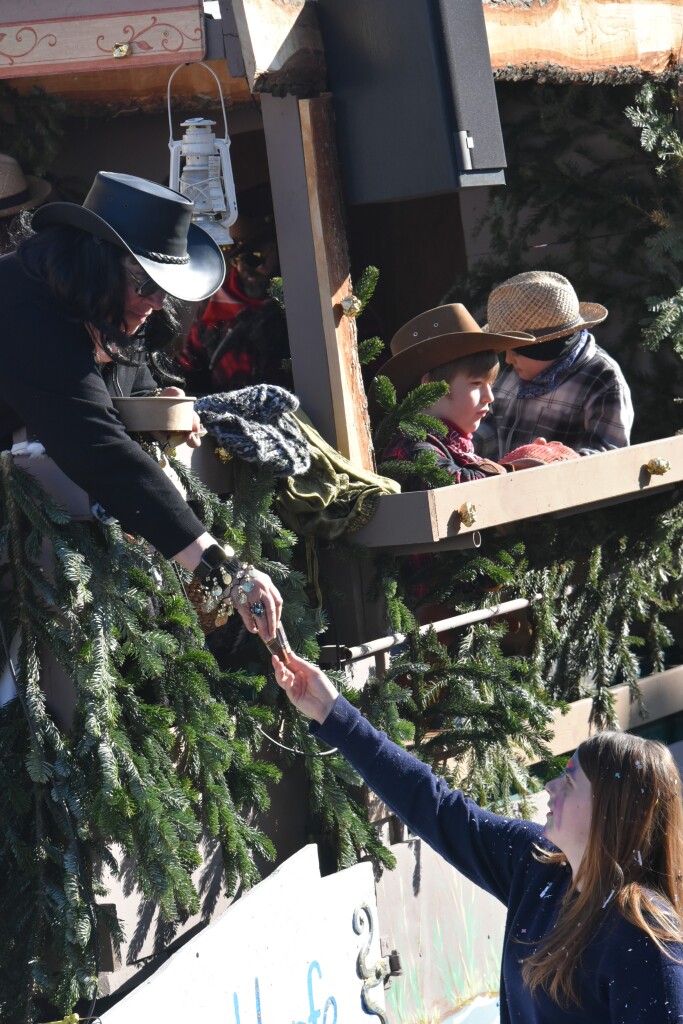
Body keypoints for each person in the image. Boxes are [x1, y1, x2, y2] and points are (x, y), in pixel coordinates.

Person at [273, 650, 683, 1023]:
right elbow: (436, 807)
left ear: (609, 815)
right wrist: (333, 713)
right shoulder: (539, 865)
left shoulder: (646, 945)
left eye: (572, 783)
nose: (554, 787)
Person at [0, 171, 282, 644]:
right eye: (144, 283)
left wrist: (158, 404)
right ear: (95, 263)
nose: (155, 302)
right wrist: (221, 566)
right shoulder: (22, 305)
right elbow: (98, 447)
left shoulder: (115, 305)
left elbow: (137, 378)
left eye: (164, 288)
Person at [377, 303, 539, 490]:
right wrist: (514, 470)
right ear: (431, 388)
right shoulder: (410, 442)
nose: (489, 397)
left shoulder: (453, 445)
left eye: (491, 385)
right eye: (476, 384)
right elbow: (453, 483)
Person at [475, 271, 634, 461]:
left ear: (546, 347)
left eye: (516, 350)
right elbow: (490, 427)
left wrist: (552, 459)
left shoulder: (601, 377)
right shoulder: (513, 370)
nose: (508, 359)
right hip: (503, 484)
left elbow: (609, 453)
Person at [176, 184, 288, 395]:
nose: (242, 268)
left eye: (253, 257)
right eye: (235, 256)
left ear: (279, 249)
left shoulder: (301, 302)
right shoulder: (215, 303)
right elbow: (189, 365)